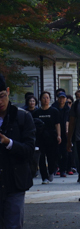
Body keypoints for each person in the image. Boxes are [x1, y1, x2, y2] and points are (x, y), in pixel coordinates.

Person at [0, 74, 36, 227]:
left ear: (8, 92)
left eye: (1, 96)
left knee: (13, 224)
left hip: (15, 182)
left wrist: (9, 143)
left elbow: (29, 150)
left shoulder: (22, 117)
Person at [32, 91, 61, 184]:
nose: (45, 100)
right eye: (43, 98)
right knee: (41, 157)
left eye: (47, 98)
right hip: (40, 137)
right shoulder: (36, 112)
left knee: (52, 156)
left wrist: (59, 135)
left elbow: (57, 124)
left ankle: (51, 171)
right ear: (40, 100)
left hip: (51, 136)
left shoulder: (54, 111)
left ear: (50, 99)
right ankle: (44, 177)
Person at [55, 90, 71, 178]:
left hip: (65, 133)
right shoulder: (54, 107)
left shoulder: (68, 109)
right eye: (60, 98)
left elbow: (69, 120)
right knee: (56, 152)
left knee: (65, 153)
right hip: (55, 132)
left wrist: (68, 130)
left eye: (63, 98)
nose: (62, 100)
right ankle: (56, 168)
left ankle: (63, 170)